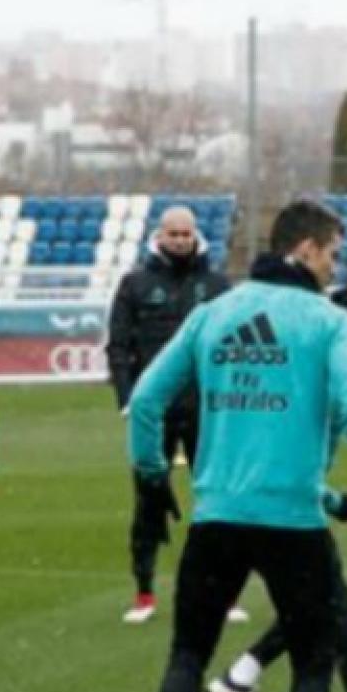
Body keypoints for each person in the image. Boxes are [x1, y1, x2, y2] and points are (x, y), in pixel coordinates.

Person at [118, 200, 347, 692]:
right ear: (305, 250)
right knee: (312, 661)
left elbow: (147, 401)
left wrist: (152, 474)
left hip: (217, 516)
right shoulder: (326, 322)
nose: (334, 269)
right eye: (331, 255)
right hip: (292, 522)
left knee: (188, 653)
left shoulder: (214, 313)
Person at [207, 284, 347, 692]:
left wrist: (333, 501)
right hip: (276, 507)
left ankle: (242, 677)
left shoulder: (302, 370)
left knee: (321, 603)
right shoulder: (333, 380)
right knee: (333, 603)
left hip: (251, 499)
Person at [105, 206, 235, 625]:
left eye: (186, 233)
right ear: (158, 237)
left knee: (218, 501)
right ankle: (144, 593)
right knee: (147, 502)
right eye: (172, 234)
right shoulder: (135, 284)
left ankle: (224, 595)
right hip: (154, 413)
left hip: (206, 411)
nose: (179, 240)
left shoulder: (217, 285)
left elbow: (235, 349)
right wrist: (128, 399)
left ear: (196, 236)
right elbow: (118, 347)